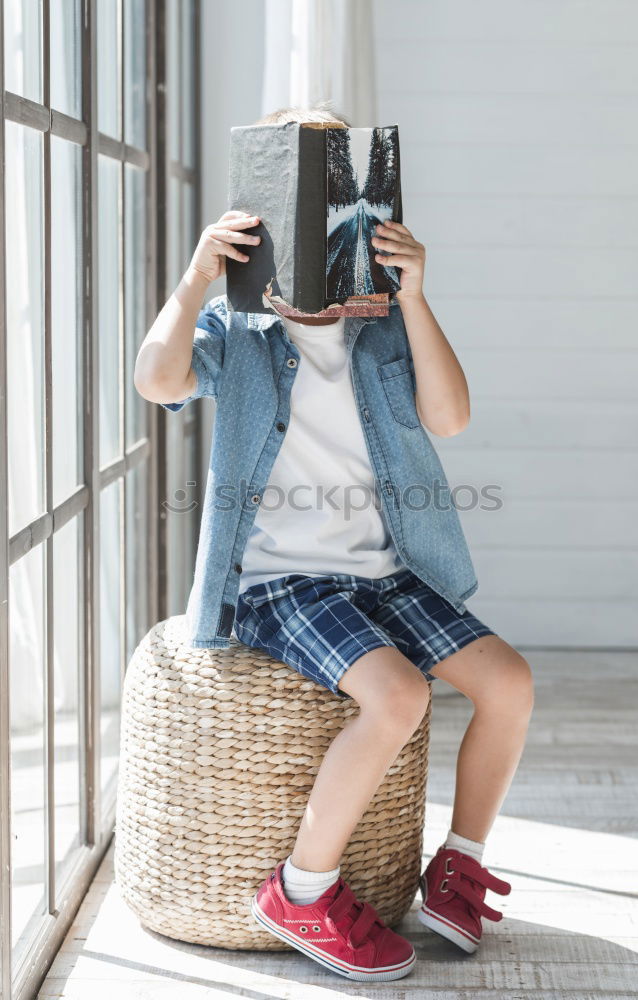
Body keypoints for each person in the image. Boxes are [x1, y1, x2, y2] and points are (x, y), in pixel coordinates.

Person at [134, 103, 534, 984]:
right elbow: (155, 378)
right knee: (396, 698)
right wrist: (197, 278)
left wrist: (418, 296)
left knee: (507, 683)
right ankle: (301, 891)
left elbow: (451, 416)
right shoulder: (239, 332)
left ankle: (458, 867)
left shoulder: (384, 321)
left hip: (385, 575)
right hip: (284, 581)